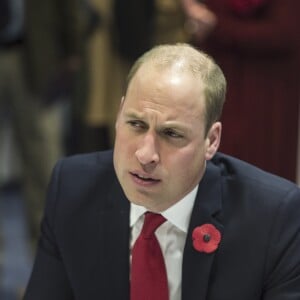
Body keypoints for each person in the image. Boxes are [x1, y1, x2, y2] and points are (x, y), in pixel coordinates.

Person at [23, 43, 300, 299]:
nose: (146, 155)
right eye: (136, 124)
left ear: (211, 141)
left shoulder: (274, 218)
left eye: (171, 134)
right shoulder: (72, 187)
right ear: (119, 115)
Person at [181, 0, 300, 182]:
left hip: (268, 90)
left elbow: (285, 33)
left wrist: (216, 25)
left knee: (264, 176)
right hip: (221, 79)